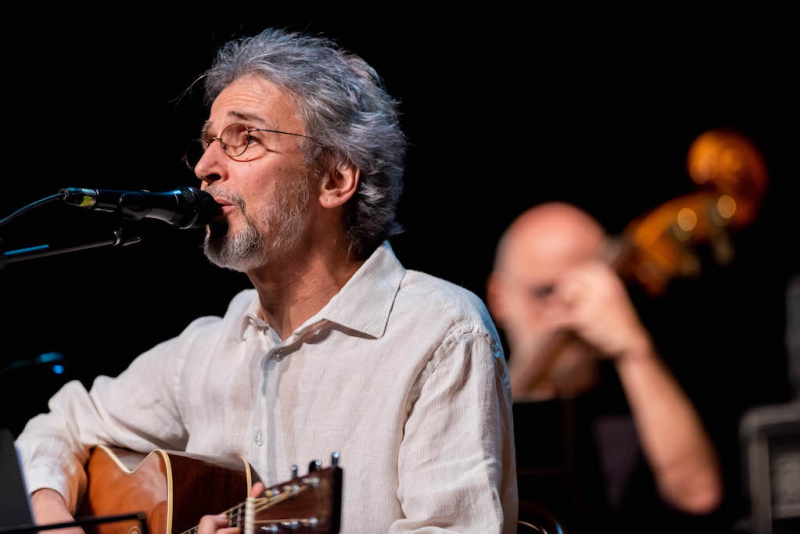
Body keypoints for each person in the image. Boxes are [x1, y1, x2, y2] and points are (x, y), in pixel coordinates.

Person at [16, 29, 517, 533]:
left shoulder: (440, 333)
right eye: (208, 143)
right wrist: (53, 519)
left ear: (335, 179)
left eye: (245, 139)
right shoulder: (208, 350)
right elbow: (56, 428)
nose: (206, 167)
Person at [486, 202, 721, 530]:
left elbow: (699, 496)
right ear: (499, 298)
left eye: (589, 289)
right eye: (545, 291)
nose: (570, 310)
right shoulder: (469, 409)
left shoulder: (643, 403)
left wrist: (634, 349)